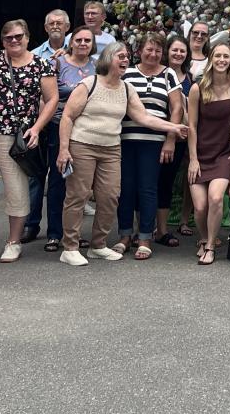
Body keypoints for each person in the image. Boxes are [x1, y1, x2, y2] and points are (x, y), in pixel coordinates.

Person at [55, 41, 188, 266]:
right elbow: (67, 116)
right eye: (121, 56)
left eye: (127, 57)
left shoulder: (126, 89)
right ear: (108, 59)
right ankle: (70, 247)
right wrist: (64, 149)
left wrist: (172, 128)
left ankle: (98, 245)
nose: (126, 60)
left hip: (111, 148)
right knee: (78, 195)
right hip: (83, 145)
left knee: (109, 197)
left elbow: (143, 117)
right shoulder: (89, 83)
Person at [0, 18, 57, 262]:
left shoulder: (41, 64)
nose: (14, 40)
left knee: (17, 191)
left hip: (18, 136)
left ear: (27, 37)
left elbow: (52, 99)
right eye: (9, 37)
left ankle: (13, 241)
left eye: (19, 36)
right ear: (2, 40)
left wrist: (36, 128)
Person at [116, 32, 184, 259]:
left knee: (147, 189)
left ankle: (145, 237)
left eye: (157, 50)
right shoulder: (127, 74)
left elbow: (177, 108)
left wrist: (170, 139)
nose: (153, 54)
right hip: (125, 140)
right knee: (125, 188)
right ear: (140, 51)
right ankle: (125, 235)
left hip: (154, 142)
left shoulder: (168, 74)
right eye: (149, 49)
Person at [37, 24, 98, 252]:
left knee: (80, 184)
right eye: (79, 40)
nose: (83, 44)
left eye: (87, 41)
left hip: (86, 129)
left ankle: (74, 232)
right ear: (70, 42)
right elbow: (46, 95)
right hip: (58, 126)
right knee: (57, 180)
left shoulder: (97, 66)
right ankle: (54, 233)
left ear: (92, 45)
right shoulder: (58, 62)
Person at [187, 42, 230, 265]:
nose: (222, 60)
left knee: (215, 198)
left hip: (224, 152)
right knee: (200, 207)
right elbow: (191, 126)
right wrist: (193, 159)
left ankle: (211, 245)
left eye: (226, 56)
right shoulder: (198, 88)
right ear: (210, 59)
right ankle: (203, 239)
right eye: (218, 56)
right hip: (200, 153)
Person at [24, 10, 73, 242]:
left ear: (67, 27)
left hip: (60, 123)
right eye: (51, 23)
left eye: (59, 23)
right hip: (37, 122)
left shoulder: (74, 54)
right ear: (45, 28)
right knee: (34, 176)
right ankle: (30, 225)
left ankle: (55, 230)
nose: (55, 26)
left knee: (57, 177)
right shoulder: (33, 55)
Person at [155, 32, 194, 246]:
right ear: (167, 51)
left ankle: (161, 229)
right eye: (175, 49)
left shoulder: (190, 79)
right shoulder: (157, 73)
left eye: (182, 50)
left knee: (166, 182)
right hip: (152, 135)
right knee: (147, 181)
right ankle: (142, 228)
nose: (178, 53)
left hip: (178, 139)